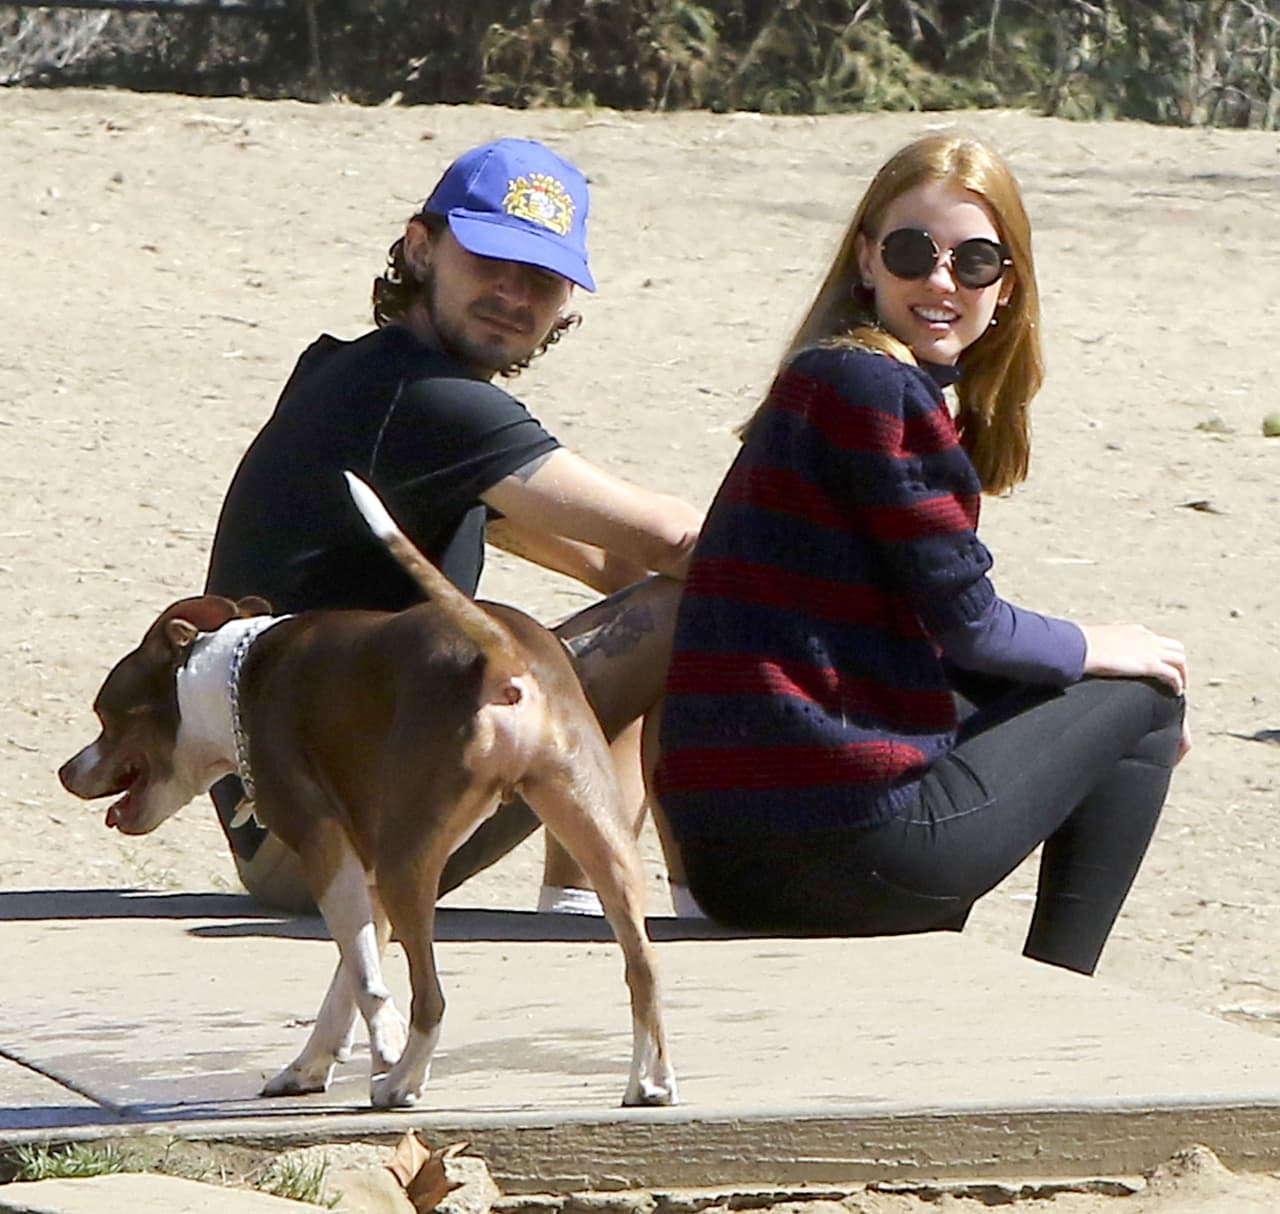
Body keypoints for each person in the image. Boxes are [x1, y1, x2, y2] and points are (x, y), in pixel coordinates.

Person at [650, 132, 1189, 975]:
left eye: (974, 262)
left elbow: (933, 650)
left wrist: (1077, 705)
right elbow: (972, 630)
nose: (941, 281)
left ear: (1006, 288)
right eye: (912, 252)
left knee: (1084, 699)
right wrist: (1103, 651)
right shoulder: (876, 389)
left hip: (727, 857)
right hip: (842, 847)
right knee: (1149, 697)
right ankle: (1061, 996)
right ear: (867, 262)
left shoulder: (820, 381)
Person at [204, 137, 702, 914]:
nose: (512, 293)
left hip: (288, 833)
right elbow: (676, 539)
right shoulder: (429, 401)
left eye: (540, 277)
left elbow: (612, 558)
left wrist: (644, 580)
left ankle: (578, 907)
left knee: (659, 599)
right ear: (420, 248)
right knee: (684, 608)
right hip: (332, 844)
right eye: (490, 262)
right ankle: (681, 902)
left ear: (564, 303)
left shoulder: (350, 371)